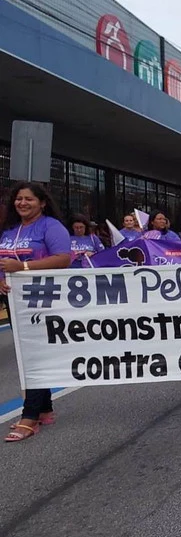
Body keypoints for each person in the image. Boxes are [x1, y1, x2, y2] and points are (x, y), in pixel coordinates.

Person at [0, 182, 72, 442]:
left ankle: (29, 415)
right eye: (18, 199)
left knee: (35, 356)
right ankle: (45, 410)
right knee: (28, 353)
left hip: (44, 299)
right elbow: (4, 261)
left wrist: (23, 267)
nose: (22, 203)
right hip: (16, 301)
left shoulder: (51, 227)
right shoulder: (10, 229)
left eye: (28, 199)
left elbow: (64, 258)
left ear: (42, 203)